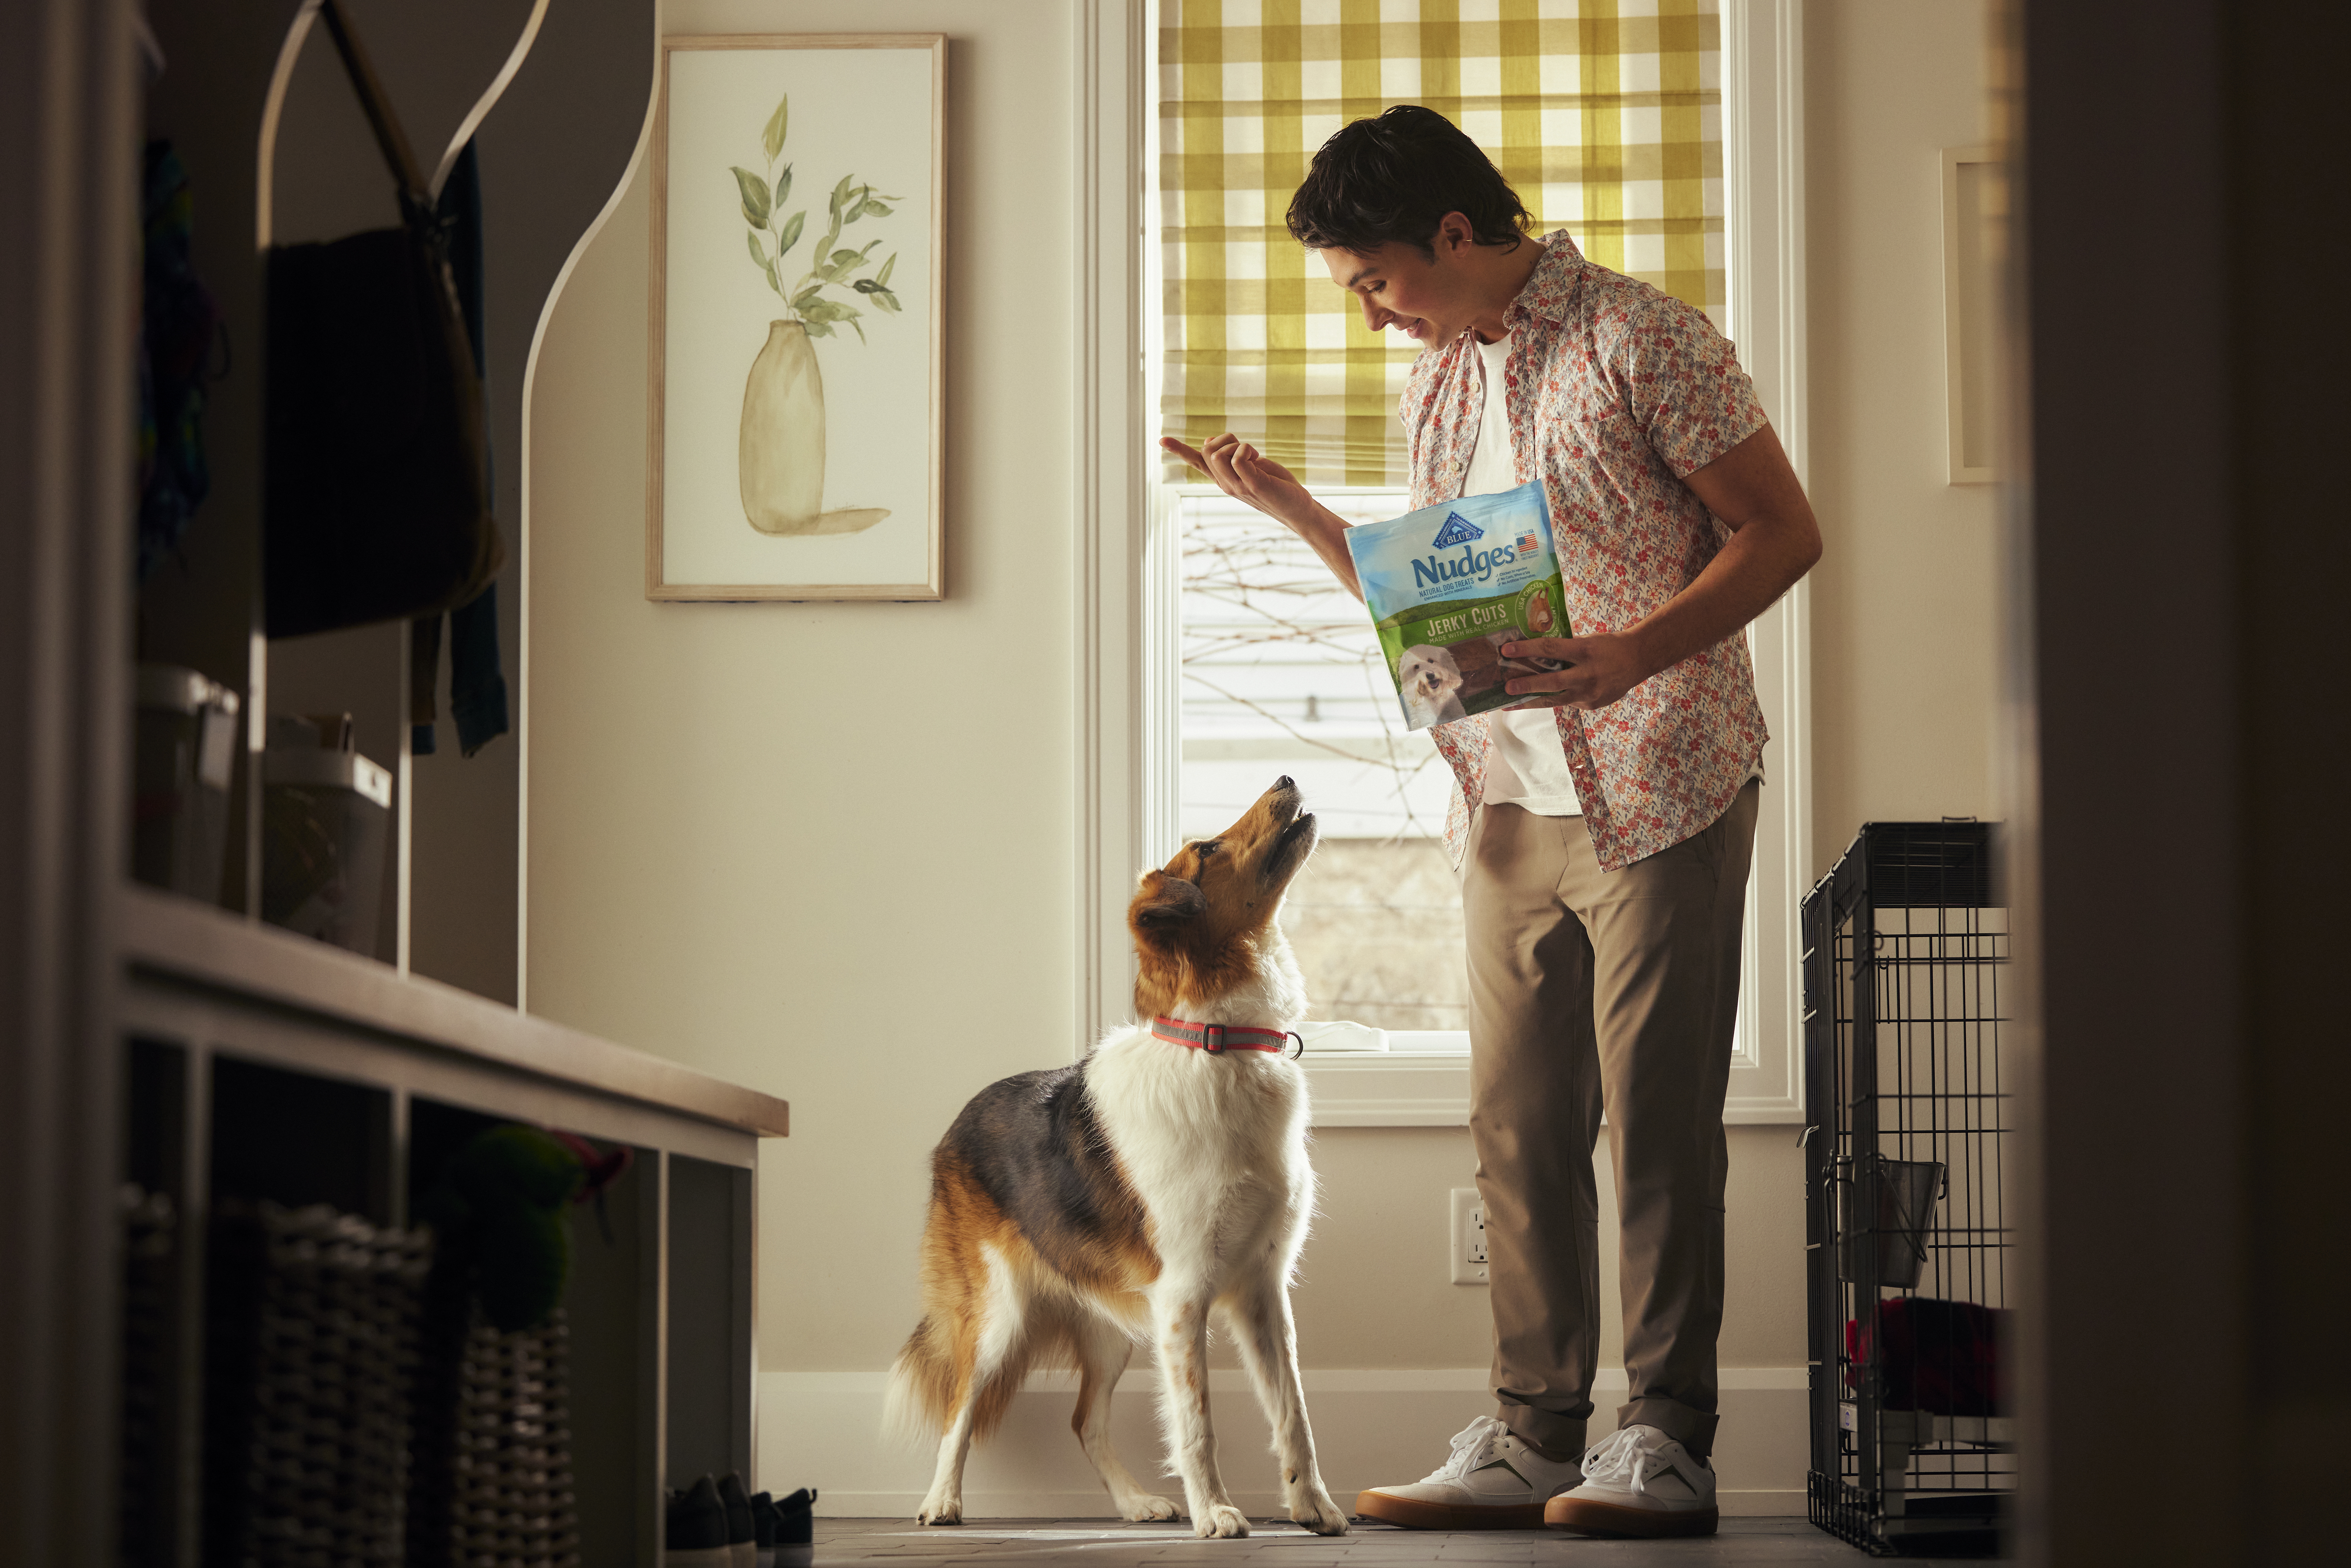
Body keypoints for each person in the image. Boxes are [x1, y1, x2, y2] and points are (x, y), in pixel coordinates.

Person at [1161, 105, 1820, 1540]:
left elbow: (1783, 530)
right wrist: (1292, 511)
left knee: (1655, 1125)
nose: (1374, 315)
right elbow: (1431, 607)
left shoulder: (1648, 340)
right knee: (1517, 1130)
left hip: (1661, 774)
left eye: (1374, 281)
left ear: (1454, 234)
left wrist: (1639, 650)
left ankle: (1667, 1440)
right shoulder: (1438, 390)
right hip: (1504, 800)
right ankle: (1532, 1432)